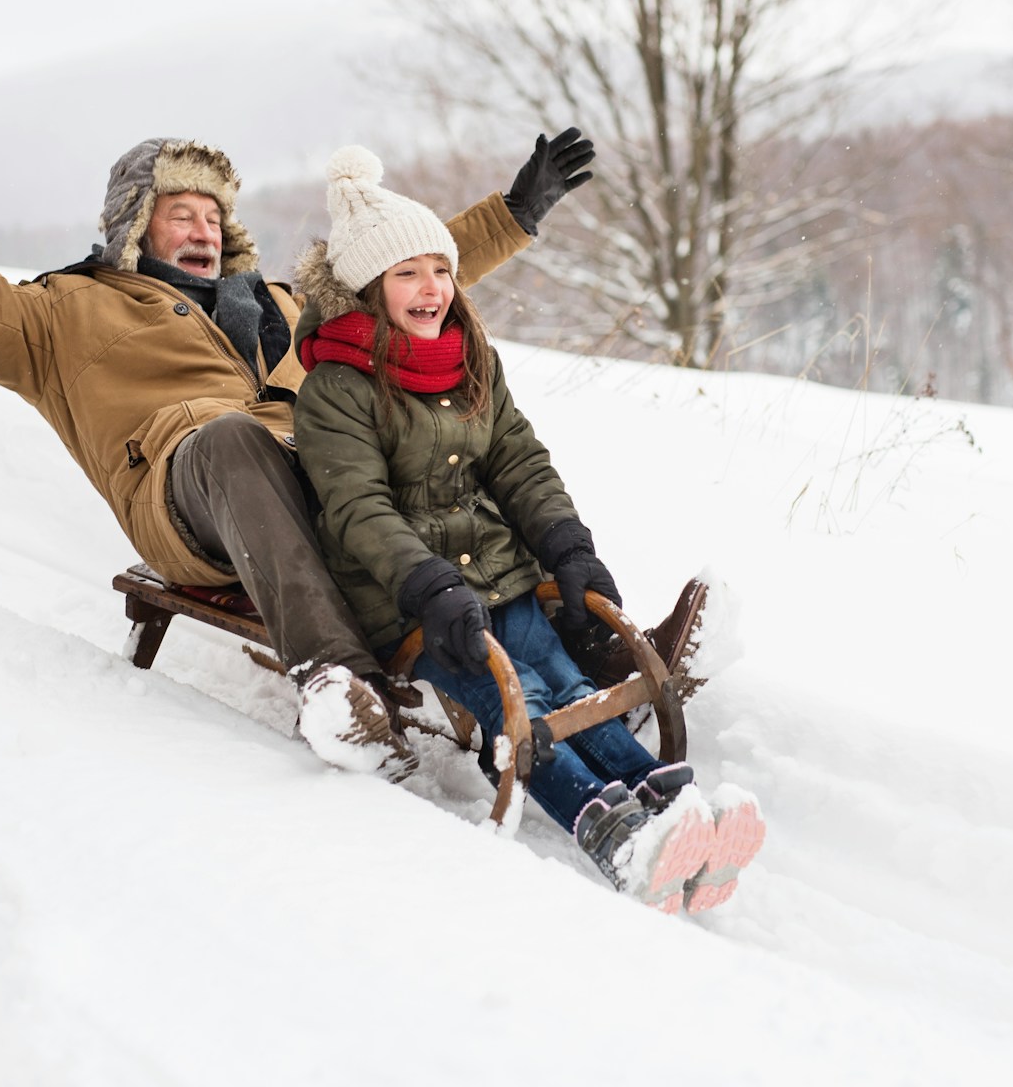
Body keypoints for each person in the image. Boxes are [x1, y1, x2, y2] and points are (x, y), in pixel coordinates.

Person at [0, 116, 597, 779]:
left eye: (214, 215)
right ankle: (338, 682)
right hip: (192, 490)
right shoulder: (62, 313)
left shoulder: (284, 304)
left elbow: (403, 278)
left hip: (318, 477)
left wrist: (517, 212)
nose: (205, 229)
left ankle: (579, 624)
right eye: (181, 213)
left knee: (425, 429)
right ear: (135, 223)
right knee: (235, 439)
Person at [289, 146, 766, 913]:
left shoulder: (468, 359)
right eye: (407, 273)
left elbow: (518, 460)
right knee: (524, 709)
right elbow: (358, 510)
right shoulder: (337, 390)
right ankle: (608, 831)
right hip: (415, 603)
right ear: (369, 290)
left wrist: (567, 546)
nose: (433, 289)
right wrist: (428, 584)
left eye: (440, 269)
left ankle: (667, 806)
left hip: (502, 578)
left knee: (571, 684)